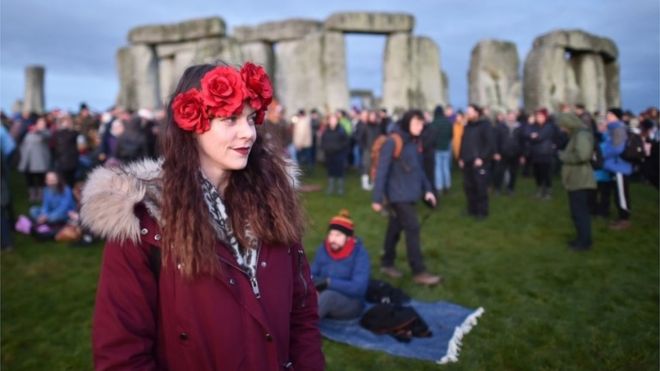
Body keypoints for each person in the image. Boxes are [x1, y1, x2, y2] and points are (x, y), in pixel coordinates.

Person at [81, 62, 324, 370]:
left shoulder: (275, 202)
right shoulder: (143, 223)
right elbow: (121, 353)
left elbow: (302, 311)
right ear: (191, 122)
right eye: (230, 119)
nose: (248, 132)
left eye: (250, 118)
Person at [372, 109, 441, 286]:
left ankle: (387, 263)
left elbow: (419, 169)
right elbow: (382, 171)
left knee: (394, 228)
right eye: (417, 123)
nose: (420, 127)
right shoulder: (393, 142)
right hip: (397, 195)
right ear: (407, 123)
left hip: (411, 194)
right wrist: (377, 198)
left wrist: (428, 190)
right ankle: (419, 271)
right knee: (413, 228)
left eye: (422, 123)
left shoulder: (415, 142)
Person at [311, 209, 370, 319]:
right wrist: (315, 287)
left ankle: (299, 330)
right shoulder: (323, 248)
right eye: (331, 234)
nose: (333, 239)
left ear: (348, 238)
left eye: (338, 235)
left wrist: (330, 283)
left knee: (329, 296)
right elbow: (311, 273)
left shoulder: (360, 254)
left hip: (350, 302)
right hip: (322, 295)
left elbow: (358, 288)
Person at [557, 113, 596, 250]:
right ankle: (581, 238)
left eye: (563, 126)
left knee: (580, 212)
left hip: (580, 179)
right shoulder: (577, 135)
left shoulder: (581, 135)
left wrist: (563, 156)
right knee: (576, 212)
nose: (562, 129)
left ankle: (584, 242)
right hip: (576, 178)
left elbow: (583, 155)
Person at [458, 104, 493, 219]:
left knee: (480, 187)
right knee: (469, 187)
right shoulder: (467, 126)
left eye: (470, 111)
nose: (467, 114)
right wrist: (461, 157)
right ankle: (472, 209)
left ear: (477, 113)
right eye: (467, 111)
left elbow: (489, 144)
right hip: (467, 161)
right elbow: (463, 142)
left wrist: (482, 158)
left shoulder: (485, 125)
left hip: (479, 162)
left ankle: (482, 211)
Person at [602, 108, 633, 230]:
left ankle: (624, 219)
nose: (607, 117)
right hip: (616, 166)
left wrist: (603, 154)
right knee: (618, 193)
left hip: (620, 166)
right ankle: (621, 217)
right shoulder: (613, 129)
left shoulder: (618, 129)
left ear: (616, 116)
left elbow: (618, 149)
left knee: (622, 194)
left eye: (609, 115)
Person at [17, 115, 51, 202]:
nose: (41, 124)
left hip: (41, 161)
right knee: (29, 178)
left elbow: (47, 136)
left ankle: (40, 195)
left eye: (43, 123)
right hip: (28, 160)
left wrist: (38, 131)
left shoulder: (45, 132)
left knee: (40, 179)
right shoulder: (28, 132)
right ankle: (32, 195)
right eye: (40, 123)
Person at [528, 108, 559, 199]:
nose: (539, 118)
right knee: (537, 173)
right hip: (536, 153)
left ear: (545, 117)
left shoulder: (549, 126)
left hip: (546, 153)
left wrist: (535, 136)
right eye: (537, 116)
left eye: (541, 116)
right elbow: (528, 135)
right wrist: (533, 135)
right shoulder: (534, 126)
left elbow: (540, 137)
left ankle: (548, 191)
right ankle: (539, 189)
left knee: (546, 173)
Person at [321, 113, 350, 195]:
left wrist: (340, 148)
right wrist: (325, 148)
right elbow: (323, 141)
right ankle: (331, 187)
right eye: (331, 120)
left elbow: (346, 141)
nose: (333, 122)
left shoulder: (341, 130)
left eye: (334, 120)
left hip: (339, 154)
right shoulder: (326, 131)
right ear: (329, 121)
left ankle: (340, 189)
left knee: (340, 171)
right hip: (329, 154)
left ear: (337, 121)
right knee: (330, 171)